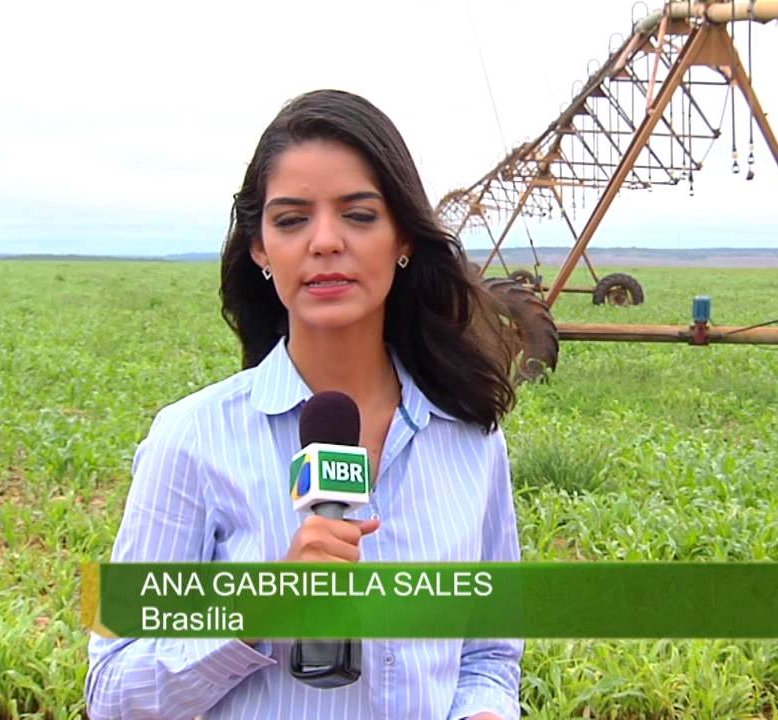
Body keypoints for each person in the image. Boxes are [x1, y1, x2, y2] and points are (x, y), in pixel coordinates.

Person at [85, 89, 523, 719]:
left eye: (359, 215)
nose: (324, 242)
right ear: (261, 248)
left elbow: (488, 655)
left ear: (403, 236)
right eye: (291, 220)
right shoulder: (193, 439)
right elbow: (111, 692)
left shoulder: (470, 436)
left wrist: (483, 710)